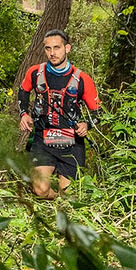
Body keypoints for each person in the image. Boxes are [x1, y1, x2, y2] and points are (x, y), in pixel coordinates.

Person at [17, 30, 102, 199]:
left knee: (70, 196)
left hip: (71, 142)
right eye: (48, 48)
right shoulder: (35, 72)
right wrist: (24, 114)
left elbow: (98, 111)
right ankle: (54, 197)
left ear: (67, 48)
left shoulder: (82, 79)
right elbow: (23, 90)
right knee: (40, 191)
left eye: (57, 47)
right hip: (43, 139)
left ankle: (62, 199)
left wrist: (87, 125)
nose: (52, 53)